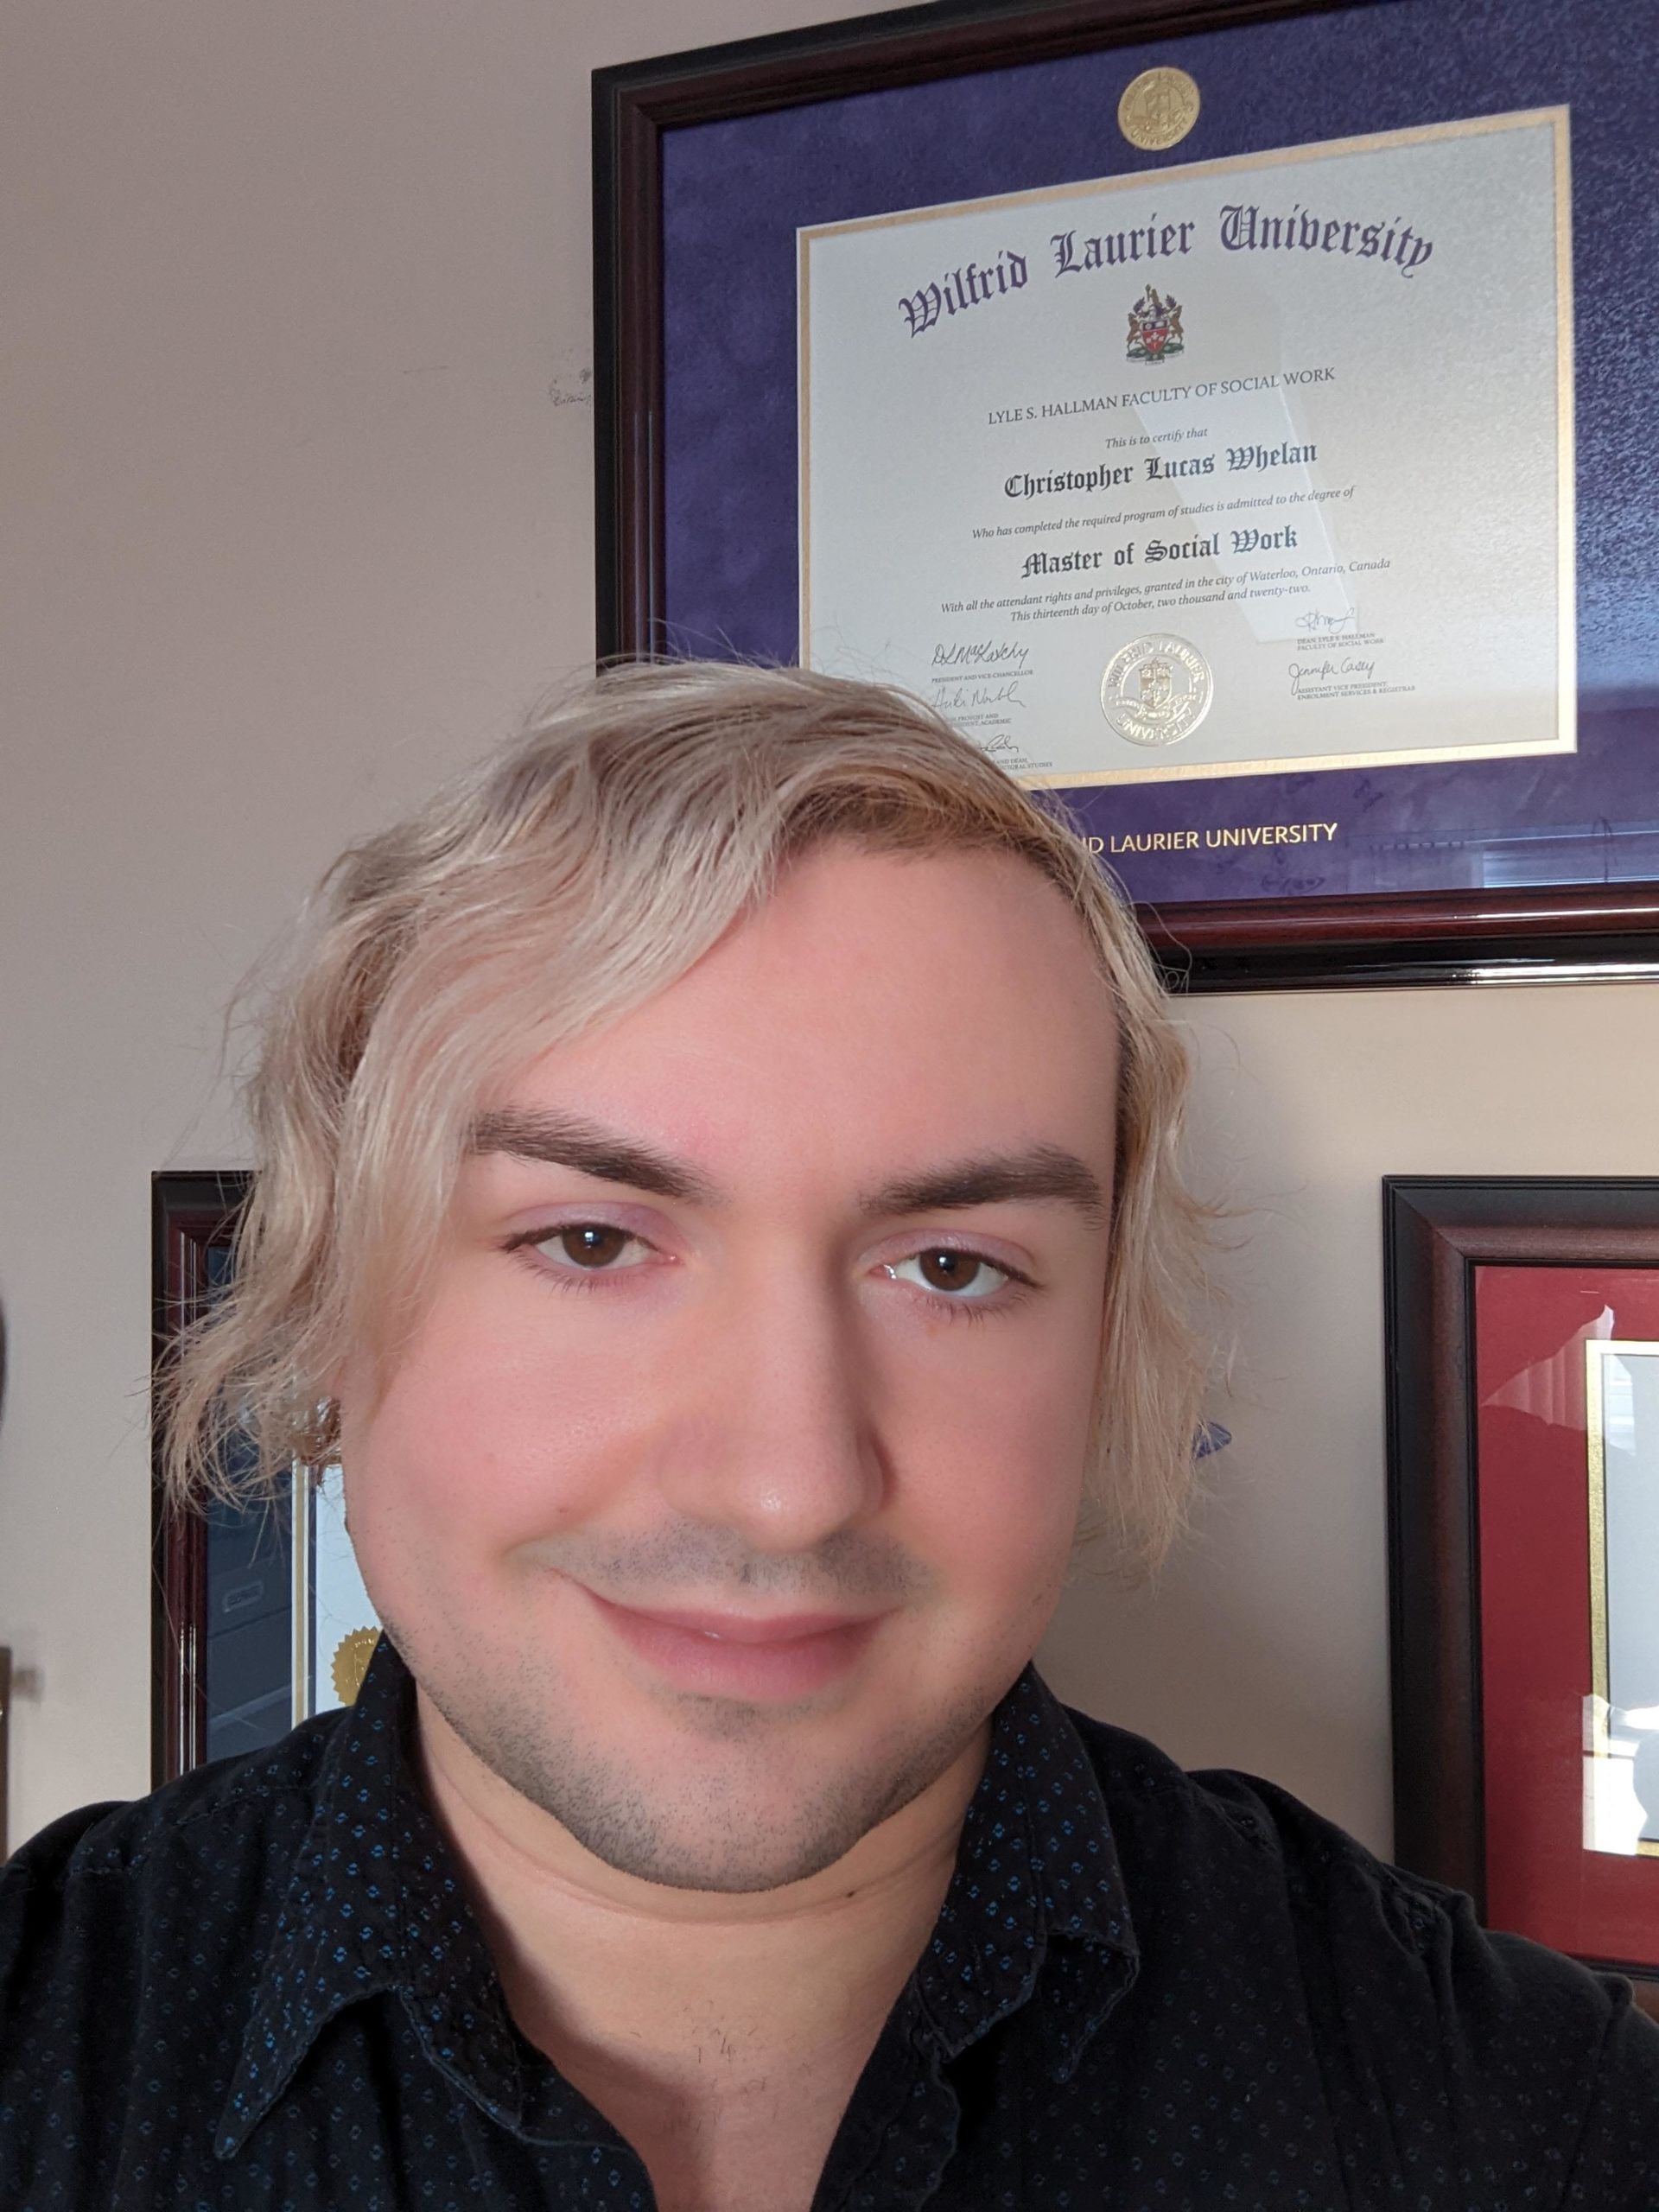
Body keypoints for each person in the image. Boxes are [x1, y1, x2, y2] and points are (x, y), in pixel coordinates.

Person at [2, 662, 1656, 2211]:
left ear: (1098, 1362)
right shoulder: (44, 2060)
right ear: (327, 1325)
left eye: (951, 1267)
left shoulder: (1519, 2114)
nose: (789, 1487)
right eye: (591, 1242)